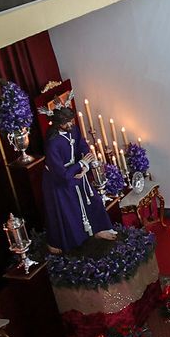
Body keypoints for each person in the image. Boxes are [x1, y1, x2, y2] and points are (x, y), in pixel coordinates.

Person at [40, 106, 116, 254]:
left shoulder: (73, 130)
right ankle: (72, 242)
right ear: (57, 123)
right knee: (70, 211)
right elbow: (61, 175)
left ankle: (97, 229)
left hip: (77, 173)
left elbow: (82, 145)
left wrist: (85, 166)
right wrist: (80, 165)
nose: (70, 124)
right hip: (59, 182)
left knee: (93, 200)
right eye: (65, 122)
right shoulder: (52, 143)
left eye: (70, 120)